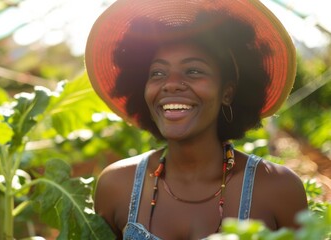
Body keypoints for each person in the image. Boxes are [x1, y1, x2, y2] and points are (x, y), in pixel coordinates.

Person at [85, 0, 308, 239]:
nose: (170, 84)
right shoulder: (117, 186)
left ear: (227, 92)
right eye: (157, 73)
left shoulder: (277, 189)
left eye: (193, 71)